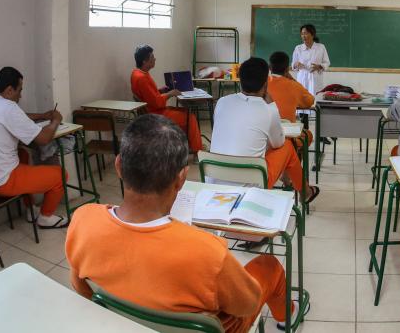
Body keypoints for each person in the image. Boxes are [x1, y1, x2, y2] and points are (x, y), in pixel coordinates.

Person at [66, 114, 298, 333]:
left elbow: (82, 288)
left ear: (118, 166)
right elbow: (246, 306)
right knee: (269, 267)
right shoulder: (208, 251)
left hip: (125, 324)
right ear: (181, 178)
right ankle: (287, 317)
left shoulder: (83, 220)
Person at [0, 66, 68, 228]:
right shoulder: (8, 108)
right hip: (1, 182)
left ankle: (30, 209)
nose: (20, 95)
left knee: (22, 153)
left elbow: (18, 117)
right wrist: (55, 120)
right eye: (19, 90)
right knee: (61, 175)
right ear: (9, 90)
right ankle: (45, 217)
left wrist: (42, 115)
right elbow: (43, 139)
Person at [210, 58, 319, 202]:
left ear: (240, 79)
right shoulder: (268, 110)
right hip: (251, 183)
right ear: (266, 83)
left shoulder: (222, 102)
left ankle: (297, 186)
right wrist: (272, 106)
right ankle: (304, 191)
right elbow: (278, 143)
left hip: (214, 179)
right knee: (287, 145)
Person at [130, 44, 203, 153]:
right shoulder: (142, 78)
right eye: (152, 57)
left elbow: (148, 96)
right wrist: (170, 94)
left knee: (185, 112)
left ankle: (185, 146)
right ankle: (197, 151)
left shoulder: (136, 73)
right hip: (156, 114)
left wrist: (161, 91)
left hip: (151, 110)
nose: (155, 59)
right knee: (190, 117)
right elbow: (157, 102)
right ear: (145, 61)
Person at [267, 51, 315, 150]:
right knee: (307, 135)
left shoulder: (261, 83)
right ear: (287, 69)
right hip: (286, 134)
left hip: (264, 133)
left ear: (269, 67)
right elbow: (310, 101)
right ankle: (295, 157)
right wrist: (292, 80)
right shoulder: (293, 85)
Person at [291, 24, 330, 95]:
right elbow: (293, 64)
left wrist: (319, 66)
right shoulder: (298, 48)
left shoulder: (321, 47)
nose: (303, 36)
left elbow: (327, 62)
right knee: (302, 99)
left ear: (312, 34)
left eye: (306, 33)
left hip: (315, 78)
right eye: (302, 34)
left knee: (315, 99)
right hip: (302, 78)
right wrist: (296, 64)